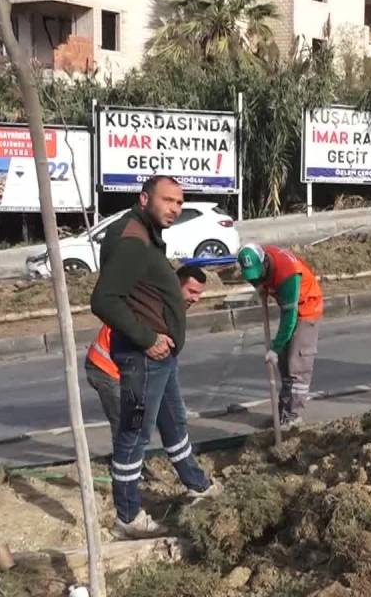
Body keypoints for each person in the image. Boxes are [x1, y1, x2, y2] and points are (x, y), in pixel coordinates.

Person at [90, 176, 217, 539]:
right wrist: (146, 339)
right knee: (134, 435)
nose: (175, 208)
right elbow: (104, 300)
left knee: (175, 423)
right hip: (143, 359)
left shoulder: (145, 234)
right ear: (144, 198)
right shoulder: (131, 240)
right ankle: (128, 518)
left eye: (179, 202)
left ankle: (197, 485)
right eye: (168, 200)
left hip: (160, 360)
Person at [86, 265, 208, 441]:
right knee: (129, 423)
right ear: (176, 284)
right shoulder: (157, 303)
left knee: (139, 421)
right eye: (192, 291)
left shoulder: (170, 305)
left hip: (128, 369)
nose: (196, 299)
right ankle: (127, 465)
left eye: (199, 294)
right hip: (106, 368)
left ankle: (133, 461)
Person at [236, 243, 323, 427]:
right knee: (284, 366)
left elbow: (289, 317)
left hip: (306, 308)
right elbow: (255, 276)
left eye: (258, 273)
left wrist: (275, 348)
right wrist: (259, 287)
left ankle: (293, 416)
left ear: (264, 262)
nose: (255, 278)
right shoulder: (259, 259)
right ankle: (282, 414)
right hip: (290, 306)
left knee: (296, 366)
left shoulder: (287, 273)